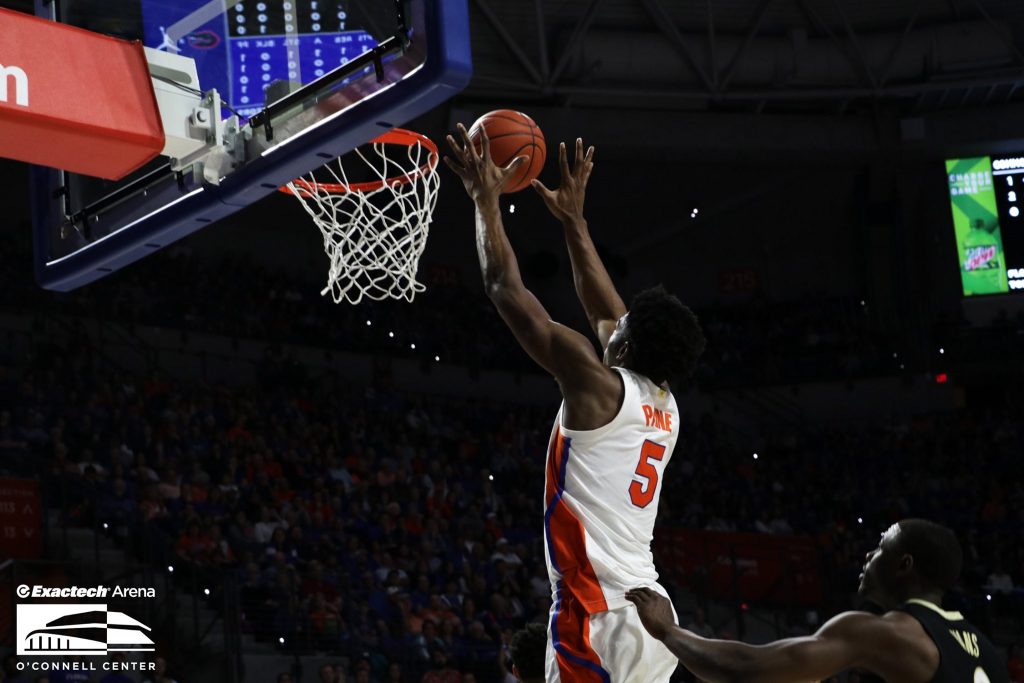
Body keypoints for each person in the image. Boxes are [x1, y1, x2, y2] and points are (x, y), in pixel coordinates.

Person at [446, 128, 705, 683]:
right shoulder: (666, 403)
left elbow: (505, 289)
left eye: (623, 328)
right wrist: (573, 222)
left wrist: (485, 200)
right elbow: (607, 314)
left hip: (595, 611)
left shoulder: (596, 385)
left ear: (627, 348)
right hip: (652, 616)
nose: (614, 321)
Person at [626, 519, 1009, 683]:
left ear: (903, 565)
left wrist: (668, 631)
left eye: (880, 547)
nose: (868, 555)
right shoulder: (988, 650)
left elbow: (746, 670)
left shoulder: (887, 633)